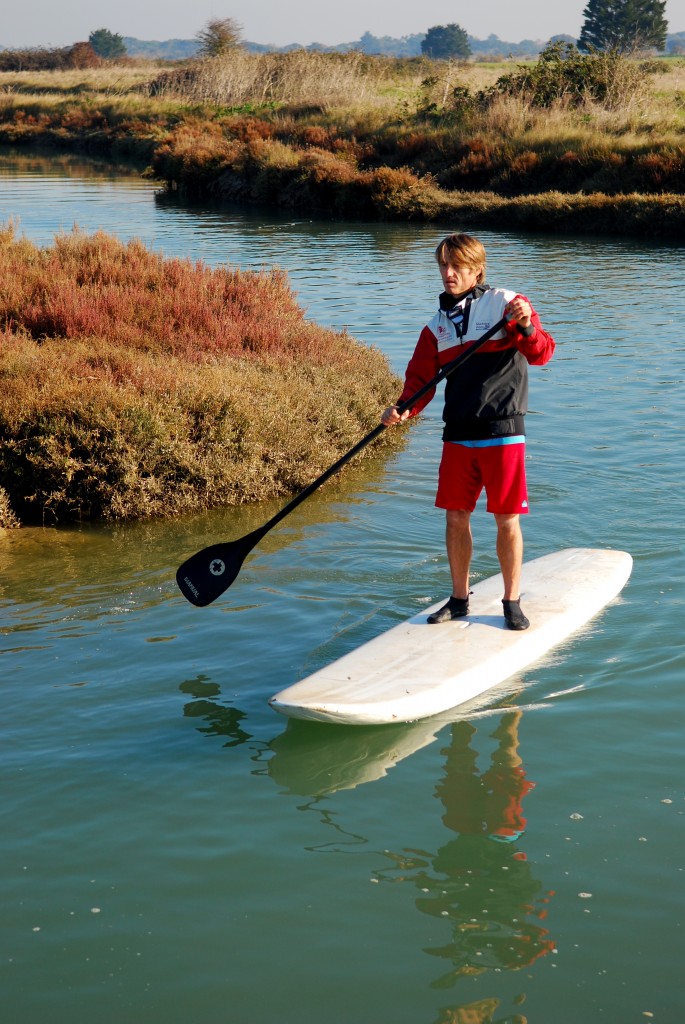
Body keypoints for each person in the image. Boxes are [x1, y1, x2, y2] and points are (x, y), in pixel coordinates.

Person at [381, 232, 555, 630]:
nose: (448, 273)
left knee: (506, 519)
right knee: (456, 518)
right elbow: (419, 382)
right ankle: (459, 599)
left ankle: (512, 602)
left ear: (477, 270)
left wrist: (525, 325)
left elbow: (542, 352)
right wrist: (402, 410)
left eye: (456, 266)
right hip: (457, 434)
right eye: (443, 265)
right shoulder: (435, 326)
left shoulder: (506, 304)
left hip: (502, 432)